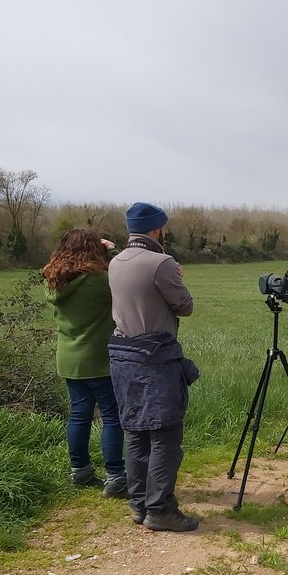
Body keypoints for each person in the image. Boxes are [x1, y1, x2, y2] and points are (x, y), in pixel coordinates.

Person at [107, 202, 201, 533]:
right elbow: (185, 306)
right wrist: (175, 274)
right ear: (157, 229)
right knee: (165, 433)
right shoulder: (162, 263)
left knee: (135, 432)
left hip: (122, 356)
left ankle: (139, 504)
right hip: (156, 357)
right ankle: (160, 510)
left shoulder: (115, 261)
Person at [42, 228, 126, 497]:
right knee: (112, 417)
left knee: (80, 413)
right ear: (94, 249)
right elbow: (127, 274)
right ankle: (116, 476)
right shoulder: (100, 281)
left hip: (69, 358)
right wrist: (112, 249)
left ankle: (80, 471)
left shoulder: (55, 280)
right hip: (99, 359)